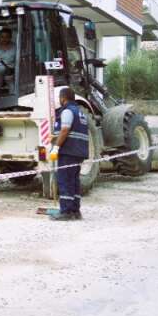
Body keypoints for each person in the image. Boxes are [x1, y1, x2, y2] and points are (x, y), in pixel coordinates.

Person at [48, 87, 90, 221]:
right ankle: (75, 211)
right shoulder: (80, 112)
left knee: (65, 180)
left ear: (63, 98)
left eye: (60, 98)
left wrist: (56, 147)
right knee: (74, 181)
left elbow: (65, 130)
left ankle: (66, 211)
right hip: (78, 151)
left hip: (68, 151)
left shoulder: (67, 111)